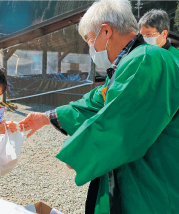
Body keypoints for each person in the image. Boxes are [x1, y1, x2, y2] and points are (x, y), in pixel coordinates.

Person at [19, 0, 179, 213]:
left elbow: (120, 124)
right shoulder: (131, 62)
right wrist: (48, 116)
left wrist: (78, 151)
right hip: (141, 176)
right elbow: (98, 100)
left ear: (106, 31)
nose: (90, 48)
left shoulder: (146, 59)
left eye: (89, 40)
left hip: (153, 183)